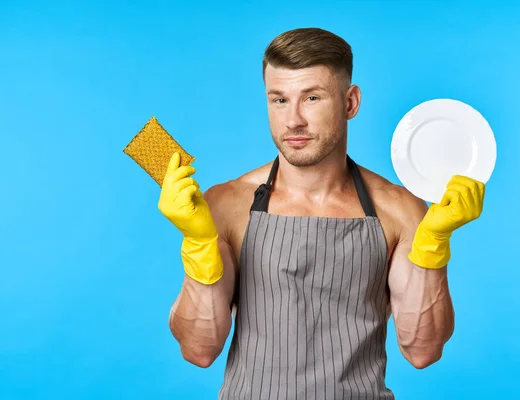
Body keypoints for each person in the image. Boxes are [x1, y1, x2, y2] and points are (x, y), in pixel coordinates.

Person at [158, 27, 485, 399]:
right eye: (279, 100)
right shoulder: (226, 204)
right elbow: (198, 350)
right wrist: (199, 243)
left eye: (311, 97)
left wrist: (434, 245)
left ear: (350, 102)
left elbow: (422, 351)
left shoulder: (399, 209)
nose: (293, 120)